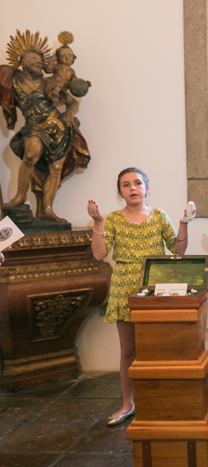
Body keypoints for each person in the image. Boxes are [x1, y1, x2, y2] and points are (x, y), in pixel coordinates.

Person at [87, 168, 192, 425]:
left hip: (155, 287)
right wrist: (98, 223)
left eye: (137, 183)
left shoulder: (158, 216)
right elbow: (99, 254)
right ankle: (127, 404)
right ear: (120, 192)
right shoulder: (111, 219)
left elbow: (178, 251)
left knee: (158, 348)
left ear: (146, 187)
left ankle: (160, 400)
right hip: (124, 287)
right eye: (126, 185)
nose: (132, 188)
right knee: (128, 350)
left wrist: (183, 225)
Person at [0, 43, 90, 222]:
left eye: (40, 60)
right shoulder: (14, 81)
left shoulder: (49, 83)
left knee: (56, 169)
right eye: (32, 59)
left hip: (57, 128)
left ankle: (47, 210)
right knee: (31, 153)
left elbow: (73, 103)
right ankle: (20, 196)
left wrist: (69, 114)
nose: (38, 63)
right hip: (34, 127)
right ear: (22, 63)